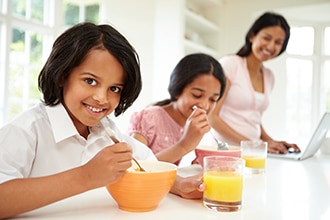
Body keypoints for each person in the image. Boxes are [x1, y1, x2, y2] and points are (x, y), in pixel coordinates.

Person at [0, 23, 203, 219]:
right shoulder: (27, 130)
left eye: (114, 89)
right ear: (62, 75)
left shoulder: (107, 132)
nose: (102, 98)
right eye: (90, 81)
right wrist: (85, 177)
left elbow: (148, 166)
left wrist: (178, 185)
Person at [208, 12, 300, 154]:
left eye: (278, 42)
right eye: (266, 38)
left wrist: (270, 142)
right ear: (252, 36)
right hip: (225, 151)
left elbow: (253, 118)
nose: (270, 46)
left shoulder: (269, 77)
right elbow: (212, 117)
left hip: (252, 153)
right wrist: (252, 145)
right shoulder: (231, 64)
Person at [127, 53, 227, 165]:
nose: (205, 105)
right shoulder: (149, 118)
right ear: (177, 90)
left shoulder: (192, 126)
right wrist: (184, 146)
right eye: (197, 95)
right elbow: (135, 166)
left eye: (213, 99)